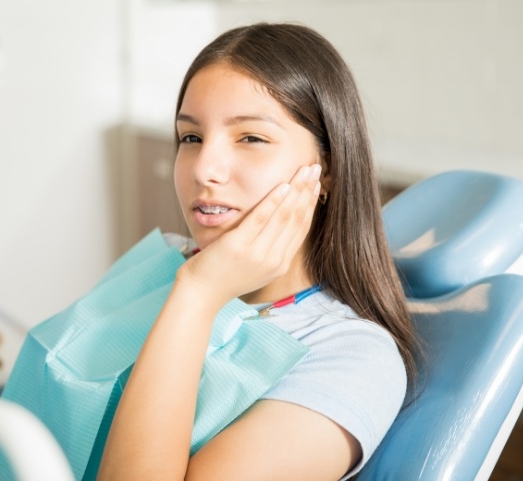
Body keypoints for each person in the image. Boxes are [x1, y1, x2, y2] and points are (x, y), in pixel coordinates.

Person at [97, 22, 418, 481]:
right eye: (191, 138)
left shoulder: (353, 357)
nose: (205, 168)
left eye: (250, 138)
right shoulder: (162, 260)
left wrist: (198, 294)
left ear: (325, 171)